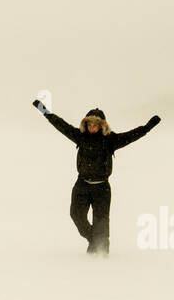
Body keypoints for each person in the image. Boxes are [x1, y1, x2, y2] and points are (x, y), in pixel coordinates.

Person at [32, 99, 160, 255]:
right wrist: (44, 110)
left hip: (102, 188)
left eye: (95, 125)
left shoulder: (110, 140)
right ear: (85, 125)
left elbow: (132, 136)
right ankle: (95, 242)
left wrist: (147, 127)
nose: (92, 128)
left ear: (102, 126)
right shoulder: (80, 136)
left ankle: (101, 257)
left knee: (101, 224)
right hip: (82, 185)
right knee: (76, 215)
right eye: (89, 125)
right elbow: (60, 125)